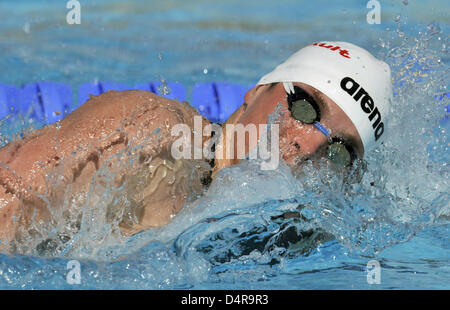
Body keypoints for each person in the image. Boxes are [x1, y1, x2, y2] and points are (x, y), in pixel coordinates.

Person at [0, 41, 392, 250]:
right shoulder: (150, 134)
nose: (307, 147)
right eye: (304, 108)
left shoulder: (292, 237)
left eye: (339, 151)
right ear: (256, 91)